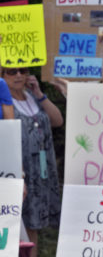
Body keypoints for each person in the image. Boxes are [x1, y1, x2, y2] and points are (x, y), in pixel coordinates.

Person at [2, 67, 63, 257]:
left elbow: (57, 120)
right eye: (11, 72)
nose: (18, 75)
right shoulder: (4, 104)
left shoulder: (32, 97)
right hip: (18, 171)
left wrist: (39, 94)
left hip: (41, 173)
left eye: (22, 70)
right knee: (12, 226)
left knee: (32, 227)